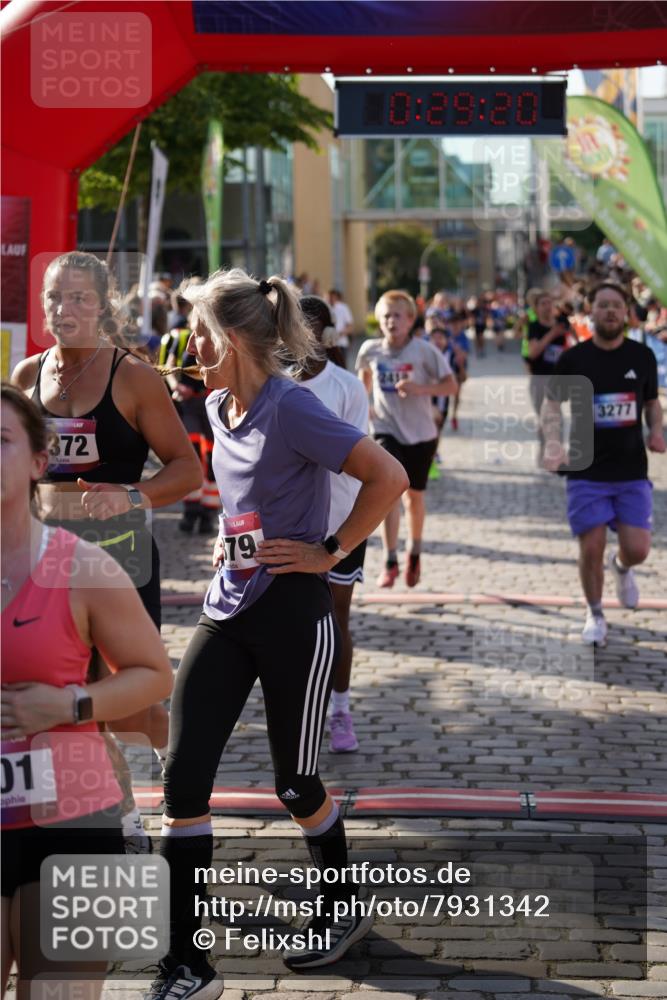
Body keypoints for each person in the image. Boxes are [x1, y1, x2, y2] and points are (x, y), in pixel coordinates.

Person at [150, 269, 407, 998]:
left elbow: (383, 474)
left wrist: (330, 551)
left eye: (198, 332)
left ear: (231, 339)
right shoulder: (218, 402)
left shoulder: (291, 409)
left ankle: (340, 903)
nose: (187, 344)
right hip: (226, 608)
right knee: (181, 779)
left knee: (295, 785)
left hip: (294, 613)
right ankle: (187, 962)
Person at [12, 251, 201, 846]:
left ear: (103, 305)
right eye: (53, 298)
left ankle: (179, 778)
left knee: (132, 702)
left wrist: (132, 496)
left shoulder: (133, 376)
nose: (63, 310)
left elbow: (187, 470)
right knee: (75, 695)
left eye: (78, 298)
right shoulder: (24, 378)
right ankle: (119, 817)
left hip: (119, 556)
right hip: (44, 561)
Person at [1, 384, 173, 999]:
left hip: (75, 821)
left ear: (38, 462)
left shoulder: (82, 565)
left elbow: (155, 676)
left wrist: (72, 705)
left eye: (1, 441)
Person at [542, 282, 665, 645]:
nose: (610, 311)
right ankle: (595, 613)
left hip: (631, 470)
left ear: (626, 312)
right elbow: (551, 404)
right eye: (603, 305)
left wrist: (656, 430)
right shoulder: (574, 359)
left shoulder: (641, 357)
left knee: (639, 549)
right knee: (590, 545)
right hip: (586, 469)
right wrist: (552, 442)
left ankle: (623, 567)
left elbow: (651, 402)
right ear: (591, 311)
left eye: (617, 305)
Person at [298, 295, 370, 754]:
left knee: (336, 619)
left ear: (325, 334)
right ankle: (299, 709)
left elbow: (360, 461)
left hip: (340, 522)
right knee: (292, 622)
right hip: (287, 523)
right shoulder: (271, 384)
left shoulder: (346, 387)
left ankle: (339, 710)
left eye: (308, 326)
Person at [356, 289, 457, 588]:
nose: (391, 321)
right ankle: (390, 559)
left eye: (397, 315)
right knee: (389, 492)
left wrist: (420, 390)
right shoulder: (370, 350)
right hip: (386, 431)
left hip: (421, 434)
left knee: (414, 498)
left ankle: (414, 552)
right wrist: (367, 406)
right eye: (385, 315)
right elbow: (363, 382)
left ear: (411, 319)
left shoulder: (426, 352)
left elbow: (450, 386)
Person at [523, 290, 571, 466]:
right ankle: (544, 448)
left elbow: (574, 343)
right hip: (539, 378)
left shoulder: (562, 323)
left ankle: (557, 452)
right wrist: (552, 334)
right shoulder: (534, 327)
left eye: (549, 303)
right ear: (536, 308)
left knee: (557, 416)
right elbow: (533, 352)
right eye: (542, 304)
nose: (547, 307)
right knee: (544, 416)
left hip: (558, 378)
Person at [327, 288, 354, 366]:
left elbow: (350, 326)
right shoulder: (325, 308)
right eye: (329, 297)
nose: (331, 299)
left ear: (336, 297)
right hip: (328, 345)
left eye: (332, 297)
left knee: (342, 367)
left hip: (341, 344)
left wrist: (340, 334)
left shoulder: (343, 308)